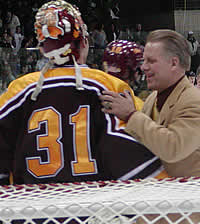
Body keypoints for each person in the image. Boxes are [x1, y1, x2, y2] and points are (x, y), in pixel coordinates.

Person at [0, 0, 167, 186]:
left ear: (43, 49)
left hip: (31, 209)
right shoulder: (106, 86)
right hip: (93, 209)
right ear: (84, 41)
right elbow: (130, 151)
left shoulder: (19, 89)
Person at [100, 29, 200, 178]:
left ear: (174, 63)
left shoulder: (194, 101)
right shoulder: (153, 98)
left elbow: (173, 148)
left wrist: (131, 115)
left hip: (189, 197)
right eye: (144, 60)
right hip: (158, 194)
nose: (143, 67)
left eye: (151, 61)